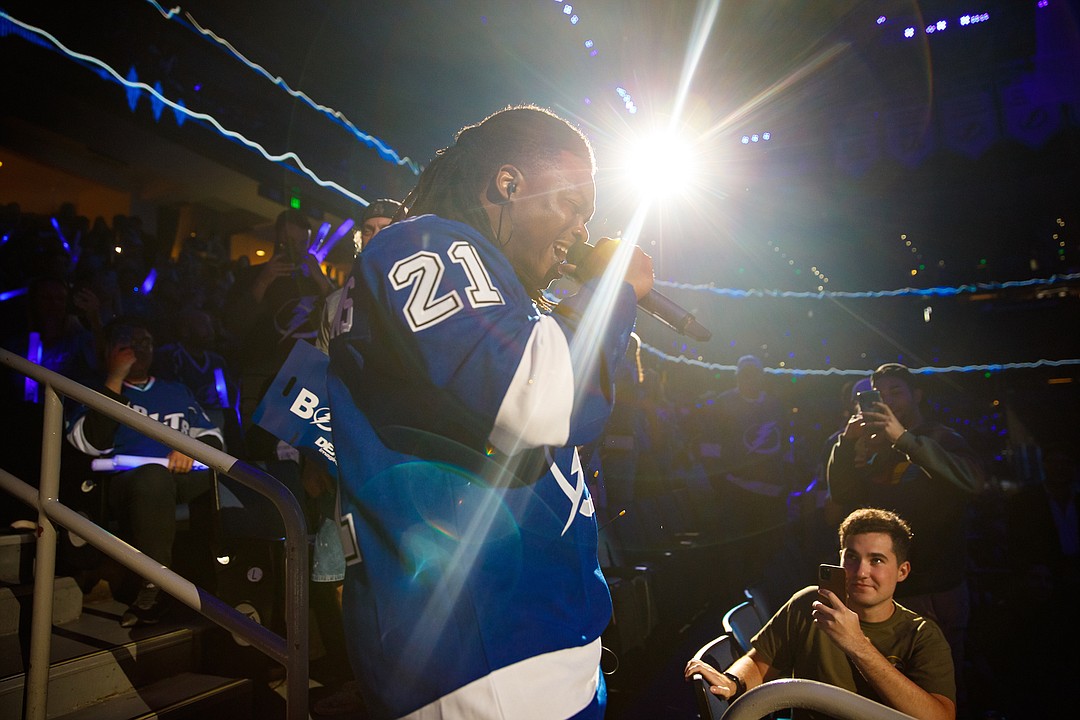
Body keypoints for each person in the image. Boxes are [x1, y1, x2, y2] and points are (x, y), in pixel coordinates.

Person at [326, 105, 653, 719]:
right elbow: (539, 398)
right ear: (508, 185)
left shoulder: (498, 285)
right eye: (574, 206)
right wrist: (613, 292)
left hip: (539, 647)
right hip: (485, 658)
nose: (582, 232)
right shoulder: (422, 241)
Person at [684, 508, 956, 720]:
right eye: (851, 557)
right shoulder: (811, 604)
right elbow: (759, 664)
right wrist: (732, 681)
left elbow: (939, 716)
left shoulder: (922, 635)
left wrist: (857, 645)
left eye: (876, 560)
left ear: (902, 571)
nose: (861, 572)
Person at [826, 363, 983, 686]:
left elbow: (972, 481)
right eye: (879, 394)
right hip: (889, 590)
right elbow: (843, 494)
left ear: (917, 395)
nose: (887, 400)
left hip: (937, 585)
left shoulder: (941, 437)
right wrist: (846, 443)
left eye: (896, 392)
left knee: (942, 681)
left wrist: (903, 439)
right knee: (889, 683)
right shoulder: (873, 447)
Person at [66, 316, 223, 626]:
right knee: (152, 479)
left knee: (229, 481)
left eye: (146, 343)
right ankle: (156, 585)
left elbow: (212, 436)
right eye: (130, 343)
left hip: (180, 472)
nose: (139, 350)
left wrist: (188, 448)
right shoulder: (91, 390)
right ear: (111, 349)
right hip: (126, 481)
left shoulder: (174, 390)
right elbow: (89, 443)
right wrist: (115, 378)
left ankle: (221, 580)